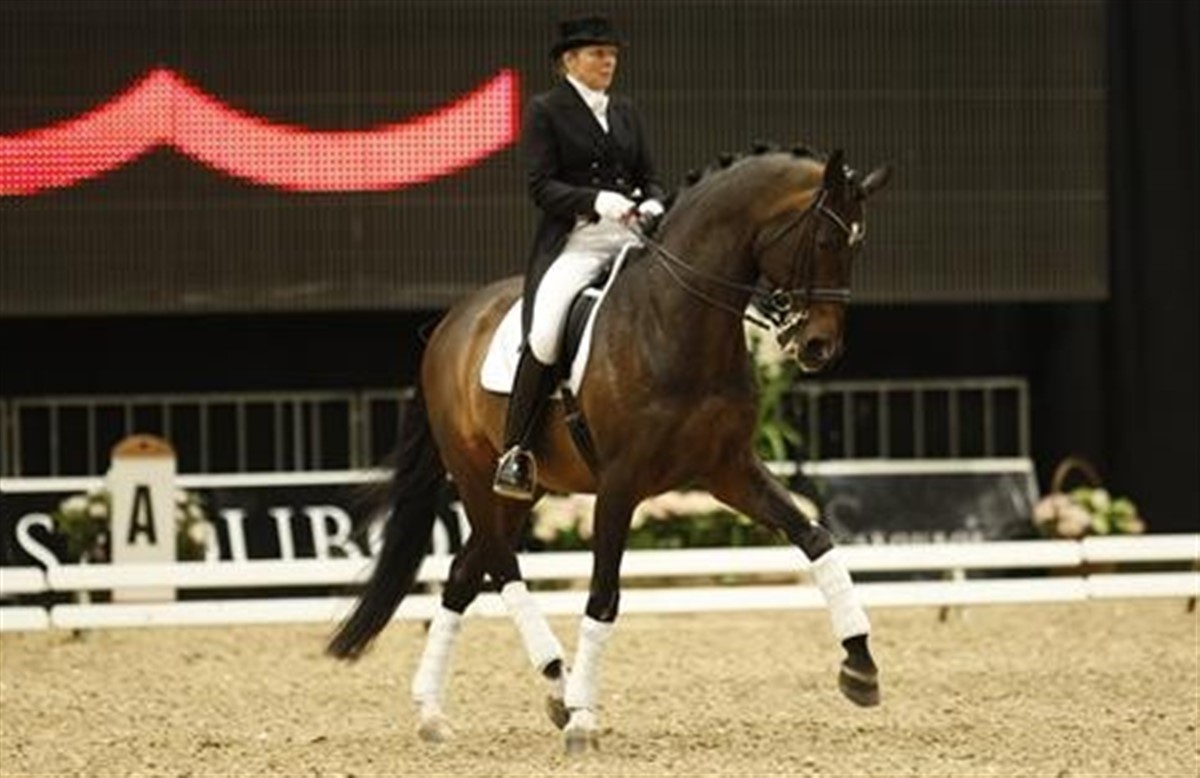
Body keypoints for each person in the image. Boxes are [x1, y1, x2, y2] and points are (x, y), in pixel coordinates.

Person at [493, 14, 665, 500]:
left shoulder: (625, 110)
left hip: (633, 237)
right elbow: (541, 187)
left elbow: (649, 175)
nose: (609, 62)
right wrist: (595, 201)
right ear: (569, 61)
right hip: (578, 241)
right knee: (545, 333)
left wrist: (654, 201)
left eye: (612, 54)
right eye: (598, 54)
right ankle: (515, 451)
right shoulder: (545, 110)